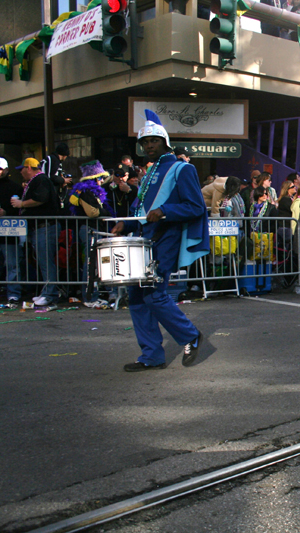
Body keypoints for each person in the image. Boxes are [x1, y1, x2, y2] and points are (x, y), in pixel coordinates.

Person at [111, 110, 209, 372]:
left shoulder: (182, 168)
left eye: (153, 141)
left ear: (164, 142)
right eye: (145, 142)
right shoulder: (150, 173)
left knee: (154, 295)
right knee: (136, 297)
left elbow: (195, 207)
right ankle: (151, 355)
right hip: (143, 240)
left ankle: (190, 335)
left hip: (166, 239)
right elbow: (141, 211)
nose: (149, 146)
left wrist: (166, 211)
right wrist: (126, 223)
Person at [11, 158, 60, 307]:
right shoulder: (37, 181)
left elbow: (41, 198)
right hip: (39, 228)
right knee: (43, 261)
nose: (20, 172)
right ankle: (47, 292)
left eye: (22, 169)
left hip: (45, 227)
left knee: (46, 261)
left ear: (29, 168)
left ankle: (50, 294)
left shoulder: (41, 180)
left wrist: (22, 204)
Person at [69, 160, 114, 308]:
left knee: (96, 264)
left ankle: (93, 295)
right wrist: (106, 212)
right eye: (100, 177)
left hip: (94, 230)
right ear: (93, 178)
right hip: (89, 230)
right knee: (90, 264)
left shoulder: (92, 191)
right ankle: (89, 297)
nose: (102, 180)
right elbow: (92, 212)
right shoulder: (86, 191)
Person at [0, 157, 23, 306]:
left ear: (7, 170)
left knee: (12, 264)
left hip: (10, 232)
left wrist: (6, 212)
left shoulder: (15, 188)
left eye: (2, 169)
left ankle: (13, 294)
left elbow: (20, 209)